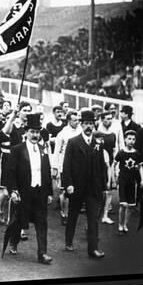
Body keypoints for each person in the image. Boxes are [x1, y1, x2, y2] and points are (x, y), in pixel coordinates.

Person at [3, 113, 54, 264]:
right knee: (19, 220)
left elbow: (47, 171)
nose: (35, 135)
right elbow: (10, 172)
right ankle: (14, 241)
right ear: (26, 132)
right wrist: (13, 191)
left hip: (40, 192)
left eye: (37, 132)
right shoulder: (18, 149)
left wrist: (49, 192)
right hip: (24, 192)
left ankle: (42, 253)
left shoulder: (43, 149)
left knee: (41, 222)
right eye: (32, 132)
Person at [62, 109, 108, 259]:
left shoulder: (98, 144)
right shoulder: (73, 142)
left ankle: (93, 249)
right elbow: (66, 165)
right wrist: (68, 184)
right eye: (86, 123)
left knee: (93, 218)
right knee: (73, 215)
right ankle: (69, 240)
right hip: (76, 187)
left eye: (91, 124)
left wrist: (103, 186)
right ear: (81, 125)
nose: (89, 127)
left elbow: (102, 166)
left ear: (94, 126)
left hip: (93, 188)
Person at [52, 110, 81, 225]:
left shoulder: (80, 131)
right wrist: (55, 167)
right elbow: (56, 152)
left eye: (78, 120)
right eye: (75, 120)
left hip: (77, 166)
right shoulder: (62, 134)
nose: (77, 122)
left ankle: (71, 213)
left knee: (75, 191)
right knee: (64, 191)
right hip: (64, 165)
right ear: (69, 120)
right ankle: (64, 214)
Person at [114, 130, 143, 234]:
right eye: (129, 139)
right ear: (125, 140)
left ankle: (126, 224)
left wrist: (142, 179)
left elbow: (140, 167)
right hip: (123, 180)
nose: (131, 141)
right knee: (123, 204)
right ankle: (120, 224)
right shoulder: (121, 153)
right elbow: (114, 164)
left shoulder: (137, 153)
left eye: (133, 139)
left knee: (131, 205)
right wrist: (115, 176)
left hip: (132, 181)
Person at [97, 111, 118, 225]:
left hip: (109, 166)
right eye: (107, 119)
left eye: (111, 119)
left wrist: (114, 166)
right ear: (102, 120)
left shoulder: (113, 135)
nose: (109, 121)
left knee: (109, 191)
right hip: (98, 166)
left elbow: (114, 150)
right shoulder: (98, 134)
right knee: (98, 192)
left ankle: (105, 216)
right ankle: (96, 215)